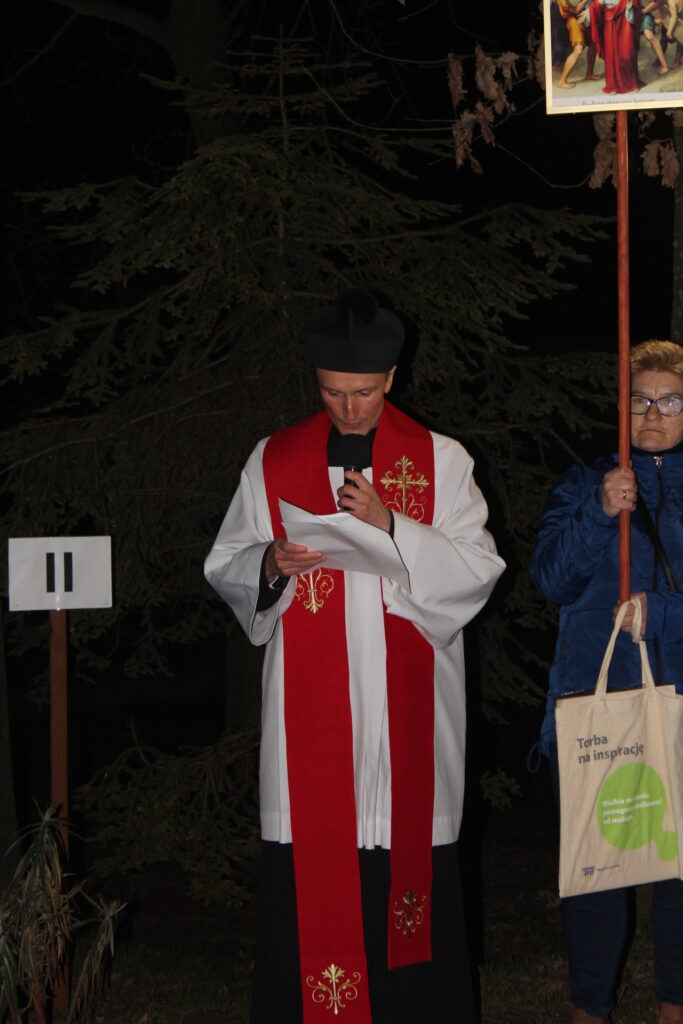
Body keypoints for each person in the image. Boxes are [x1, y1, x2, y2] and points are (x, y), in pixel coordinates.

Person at [204, 288, 505, 1023]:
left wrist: (394, 525)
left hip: (408, 728)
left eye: (364, 392)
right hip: (311, 733)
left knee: (410, 891)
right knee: (310, 884)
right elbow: (227, 561)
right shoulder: (274, 459)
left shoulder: (441, 460)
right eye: (333, 392)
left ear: (392, 378)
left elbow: (478, 571)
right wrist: (270, 562)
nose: (348, 409)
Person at [531, 339, 683, 1024]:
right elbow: (550, 580)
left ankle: (674, 1005)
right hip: (596, 711)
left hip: (677, 705)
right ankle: (589, 1009)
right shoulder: (583, 482)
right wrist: (598, 509)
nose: (652, 413)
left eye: (669, 401)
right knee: (596, 869)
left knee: (679, 869)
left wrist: (664, 612)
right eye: (640, 399)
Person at [585, 0, 645, 93]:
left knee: (628, 54)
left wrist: (629, 9)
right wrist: (585, 15)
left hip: (625, 23)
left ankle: (633, 82)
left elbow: (637, 8)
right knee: (612, 55)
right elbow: (595, 6)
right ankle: (613, 86)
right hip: (609, 25)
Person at [555, 0, 601, 88]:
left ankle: (589, 74)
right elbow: (574, 9)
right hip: (574, 21)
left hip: (584, 19)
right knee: (578, 49)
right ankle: (562, 81)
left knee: (593, 44)